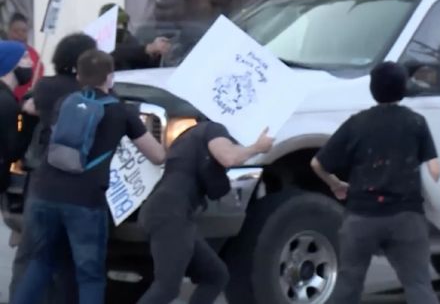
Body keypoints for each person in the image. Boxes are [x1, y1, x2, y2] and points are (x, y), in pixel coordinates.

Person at [12, 50, 166, 304]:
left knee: (40, 262)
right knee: (90, 275)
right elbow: (157, 155)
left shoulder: (65, 103)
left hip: (44, 194)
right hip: (85, 201)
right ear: (110, 76)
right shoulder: (122, 112)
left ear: (79, 75)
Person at [311, 62, 440, 304]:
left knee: (348, 285)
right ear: (403, 88)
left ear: (373, 89)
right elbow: (434, 169)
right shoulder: (416, 122)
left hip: (361, 217)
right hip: (407, 217)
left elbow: (317, 164)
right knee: (418, 284)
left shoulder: (356, 123)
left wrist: (335, 184)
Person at [137, 122, 273, 304]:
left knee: (216, 275)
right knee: (167, 288)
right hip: (171, 213)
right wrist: (257, 147)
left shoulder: (189, 136)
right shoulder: (213, 129)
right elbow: (229, 157)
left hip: (167, 212)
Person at [10, 33, 98, 304]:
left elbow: (28, 109)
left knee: (31, 255)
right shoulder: (90, 92)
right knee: (73, 260)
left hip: (43, 180)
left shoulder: (45, 87)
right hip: (81, 184)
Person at [0, 41, 33, 191]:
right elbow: (12, 151)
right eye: (25, 57)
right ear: (10, 63)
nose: (31, 62)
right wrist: (29, 118)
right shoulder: (6, 102)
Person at [99, 4, 171, 70]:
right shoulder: (97, 43)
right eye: (116, 23)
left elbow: (142, 63)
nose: (120, 26)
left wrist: (155, 54)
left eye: (122, 22)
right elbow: (116, 52)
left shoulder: (129, 39)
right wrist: (149, 48)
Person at [7, 12, 43, 100]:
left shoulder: (34, 55)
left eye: (24, 31)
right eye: (16, 31)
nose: (20, 34)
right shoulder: (3, 52)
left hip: (27, 103)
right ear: (9, 32)